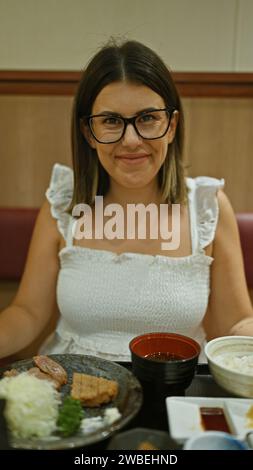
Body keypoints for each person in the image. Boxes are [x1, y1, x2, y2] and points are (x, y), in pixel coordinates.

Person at [0, 39, 252, 363]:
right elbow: (27, 313)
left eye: (148, 118)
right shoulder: (63, 203)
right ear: (89, 133)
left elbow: (237, 323)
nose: (131, 140)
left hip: (174, 394)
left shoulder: (207, 206)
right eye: (111, 121)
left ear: (172, 126)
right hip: (74, 392)